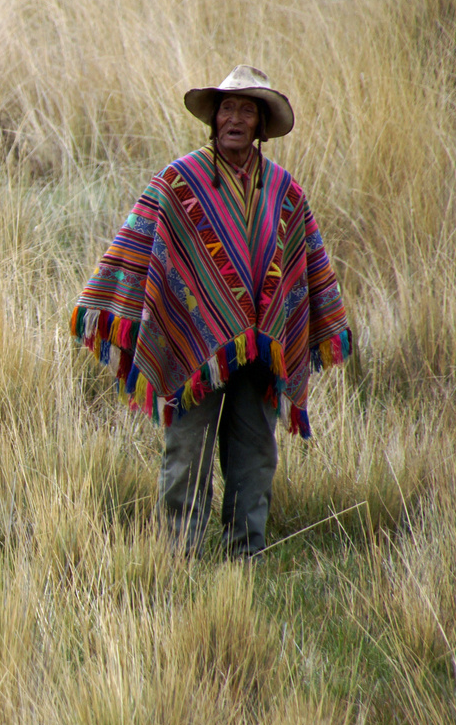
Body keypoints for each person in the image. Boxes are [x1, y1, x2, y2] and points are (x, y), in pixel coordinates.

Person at [70, 65, 351, 557]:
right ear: (213, 118)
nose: (235, 118)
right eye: (227, 108)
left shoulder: (285, 192)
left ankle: (247, 554)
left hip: (263, 351)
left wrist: (303, 325)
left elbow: (305, 270)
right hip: (192, 344)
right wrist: (112, 307)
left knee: (256, 453)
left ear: (262, 125)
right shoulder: (178, 182)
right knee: (186, 452)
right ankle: (180, 555)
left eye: (247, 110)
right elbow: (136, 251)